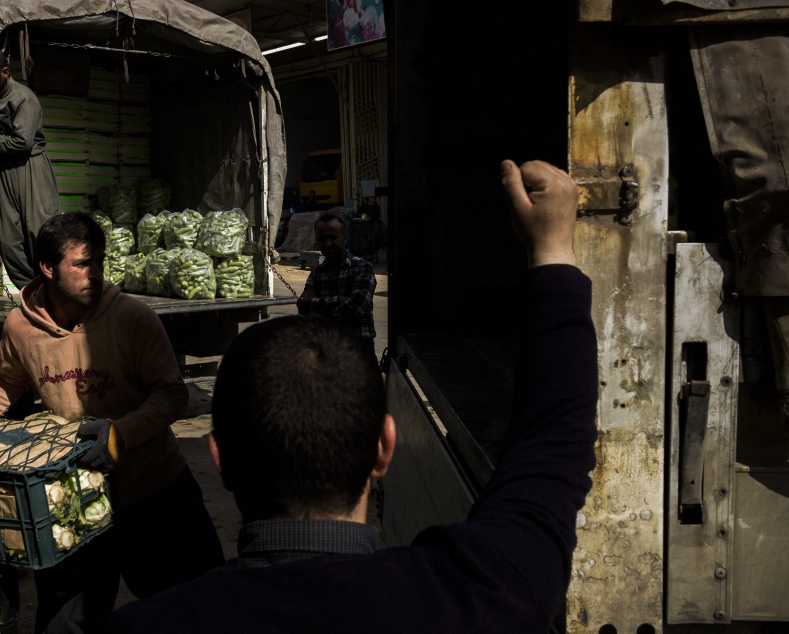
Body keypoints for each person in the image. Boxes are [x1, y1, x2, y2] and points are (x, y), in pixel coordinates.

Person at [100, 159, 599, 632]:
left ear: (219, 459)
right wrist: (552, 252)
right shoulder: (477, 597)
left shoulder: (152, 624)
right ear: (385, 446)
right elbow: (553, 450)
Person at [0, 212, 225, 633]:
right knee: (66, 623)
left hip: (153, 489)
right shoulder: (21, 326)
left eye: (99, 261)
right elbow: (5, 381)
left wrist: (120, 434)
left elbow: (171, 395)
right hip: (72, 501)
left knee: (196, 609)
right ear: (48, 268)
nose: (94, 273)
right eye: (81, 263)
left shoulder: (133, 317)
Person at [0, 45, 61, 289]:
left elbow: (22, 143)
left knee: (39, 233)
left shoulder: (23, 98)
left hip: (29, 168)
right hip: (5, 170)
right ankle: (30, 292)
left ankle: (51, 292)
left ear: (5, 73)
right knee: (9, 240)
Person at [297, 212, 377, 360]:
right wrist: (339, 300)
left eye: (333, 238)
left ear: (345, 237)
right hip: (326, 351)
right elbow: (303, 306)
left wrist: (321, 313)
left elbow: (359, 306)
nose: (328, 244)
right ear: (317, 241)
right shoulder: (317, 273)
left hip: (358, 350)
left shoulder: (362, 267)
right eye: (322, 239)